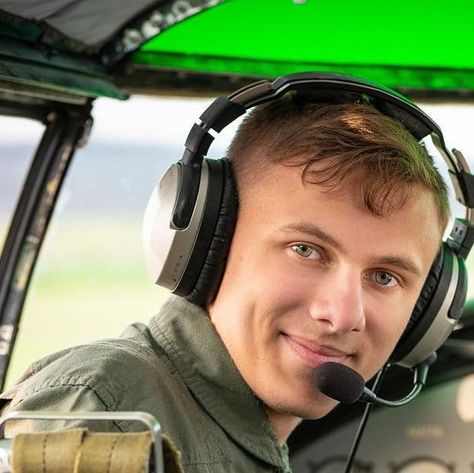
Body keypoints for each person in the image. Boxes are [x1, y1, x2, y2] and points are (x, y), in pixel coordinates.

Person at [0, 73, 463, 473]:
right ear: (207, 244)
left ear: (429, 308)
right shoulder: (107, 412)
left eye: (385, 277)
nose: (342, 315)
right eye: (306, 250)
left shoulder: (241, 436)